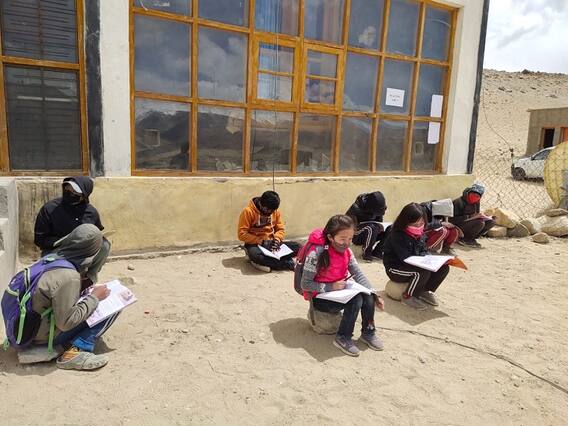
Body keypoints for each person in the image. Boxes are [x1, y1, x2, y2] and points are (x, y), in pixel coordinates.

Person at [31, 224, 118, 370]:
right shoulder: (69, 277)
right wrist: (94, 297)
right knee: (113, 305)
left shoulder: (51, 258)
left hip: (28, 327)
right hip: (39, 337)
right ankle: (75, 352)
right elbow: (65, 323)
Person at [300, 214, 385, 357]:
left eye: (350, 239)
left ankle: (368, 332)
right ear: (330, 237)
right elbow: (305, 284)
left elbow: (358, 274)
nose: (347, 243)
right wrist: (330, 287)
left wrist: (375, 294)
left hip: (339, 293)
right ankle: (343, 337)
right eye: (342, 239)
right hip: (320, 298)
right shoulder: (316, 254)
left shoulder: (347, 252)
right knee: (356, 300)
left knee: (367, 295)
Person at [34, 176, 110, 288]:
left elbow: (96, 234)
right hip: (58, 251)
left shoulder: (91, 212)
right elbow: (39, 239)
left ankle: (88, 278)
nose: (69, 194)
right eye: (67, 190)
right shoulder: (49, 209)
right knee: (58, 275)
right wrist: (65, 241)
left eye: (75, 193)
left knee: (104, 245)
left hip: (83, 251)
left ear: (84, 196)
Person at [382, 203, 450, 310]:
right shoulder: (397, 235)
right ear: (405, 222)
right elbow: (405, 258)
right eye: (415, 224)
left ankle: (424, 290)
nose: (418, 227)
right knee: (422, 272)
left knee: (443, 268)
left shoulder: (420, 235)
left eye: (421, 223)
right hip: (396, 268)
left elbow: (424, 250)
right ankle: (408, 297)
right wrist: (422, 262)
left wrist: (432, 260)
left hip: (415, 264)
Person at [237, 190, 301, 272]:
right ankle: (288, 263)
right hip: (255, 245)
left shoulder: (275, 211)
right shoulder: (248, 212)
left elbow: (280, 229)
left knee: (298, 247)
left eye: (272, 211)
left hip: (271, 243)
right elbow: (242, 234)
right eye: (267, 210)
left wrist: (277, 240)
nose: (270, 212)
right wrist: (261, 242)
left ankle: (271, 262)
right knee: (256, 256)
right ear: (261, 203)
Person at [346, 191, 388, 262]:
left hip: (372, 232)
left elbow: (379, 222)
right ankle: (366, 253)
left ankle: (378, 251)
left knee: (391, 228)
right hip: (357, 235)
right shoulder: (356, 208)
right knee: (370, 227)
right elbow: (350, 227)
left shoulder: (379, 208)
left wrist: (381, 227)